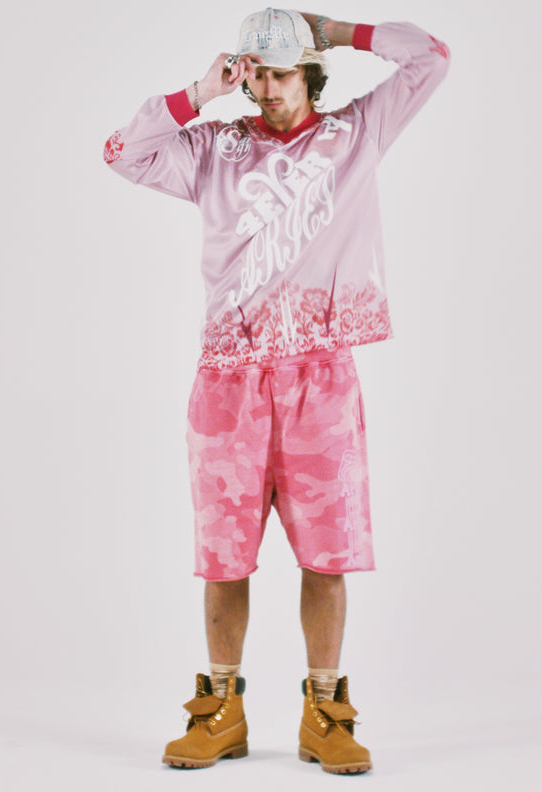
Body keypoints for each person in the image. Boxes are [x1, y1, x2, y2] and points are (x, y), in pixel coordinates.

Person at [104, 7, 449, 775]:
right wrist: (199, 93)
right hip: (227, 378)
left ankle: (324, 711)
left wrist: (335, 30)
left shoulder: (356, 134)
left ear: (310, 73)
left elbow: (431, 57)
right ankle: (220, 709)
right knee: (223, 556)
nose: (265, 88)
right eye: (255, 73)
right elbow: (121, 152)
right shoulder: (213, 148)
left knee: (327, 553)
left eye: (281, 72)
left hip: (319, 376)